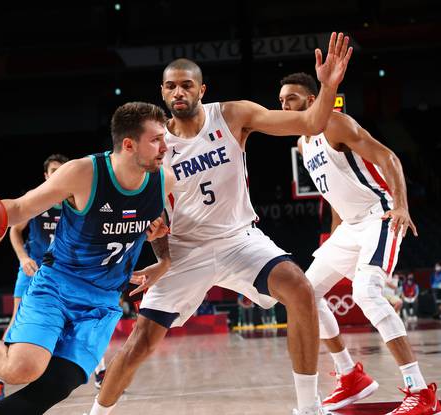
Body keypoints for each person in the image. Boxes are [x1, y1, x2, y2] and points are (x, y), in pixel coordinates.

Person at [90, 32, 353, 415]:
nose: (178, 92)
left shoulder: (232, 115)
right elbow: (151, 211)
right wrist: (161, 256)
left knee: (299, 288)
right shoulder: (153, 142)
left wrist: (328, 87)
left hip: (238, 239)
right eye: (170, 86)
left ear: (201, 89)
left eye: (186, 85)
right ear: (162, 92)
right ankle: (96, 413)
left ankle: (308, 408)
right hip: (184, 250)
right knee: (140, 343)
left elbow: (311, 122)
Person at [0, 101, 174, 415]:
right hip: (58, 285)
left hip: (103, 300)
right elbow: (20, 208)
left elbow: (158, 223)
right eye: (156, 139)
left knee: (61, 382)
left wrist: (163, 262)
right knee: (22, 368)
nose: (165, 146)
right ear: (129, 144)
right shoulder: (83, 172)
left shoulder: (164, 180)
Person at [279, 71, 439, 413]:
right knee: (304, 293)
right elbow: (336, 192)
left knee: (366, 293)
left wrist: (400, 204)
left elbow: (389, 158)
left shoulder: (335, 124)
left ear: (310, 101)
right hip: (350, 226)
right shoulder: (302, 144)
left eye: (291, 99)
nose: (284, 105)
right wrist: (337, 231)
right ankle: (350, 375)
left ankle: (420, 391)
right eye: (280, 101)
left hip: (378, 215)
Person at [0, 153, 69, 404]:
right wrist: (23, 257)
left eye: (62, 170)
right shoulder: (39, 198)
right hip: (32, 267)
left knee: (77, 319)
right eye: (53, 170)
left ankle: (100, 372)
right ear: (46, 176)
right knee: (15, 321)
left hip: (62, 271)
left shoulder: (75, 200)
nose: (58, 174)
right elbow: (15, 231)